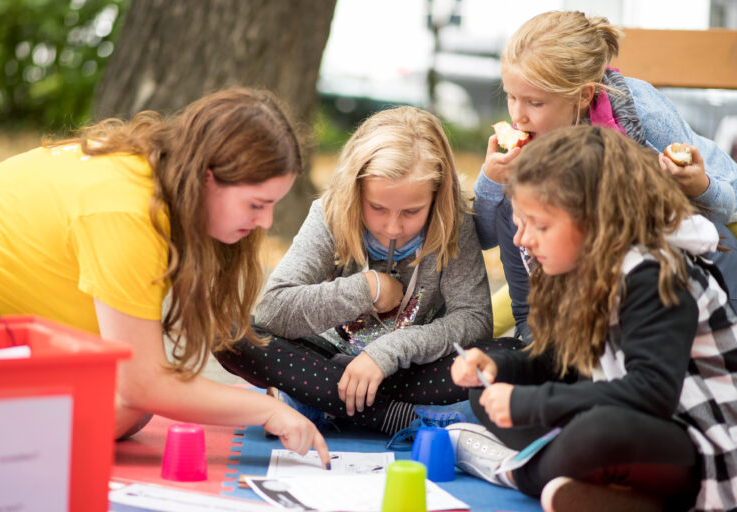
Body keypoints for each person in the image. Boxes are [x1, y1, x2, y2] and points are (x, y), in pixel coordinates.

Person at [0, 88, 330, 467]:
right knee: (127, 401)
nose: (266, 222)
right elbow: (144, 384)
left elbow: (139, 384)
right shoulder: (128, 212)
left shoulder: (155, 180)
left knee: (126, 407)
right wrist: (266, 410)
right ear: (208, 178)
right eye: (256, 204)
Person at [450, 126, 737, 511]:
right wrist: (496, 366)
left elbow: (649, 393)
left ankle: (513, 471)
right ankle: (612, 496)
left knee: (597, 433)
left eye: (540, 225)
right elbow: (564, 363)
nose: (523, 240)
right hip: (646, 428)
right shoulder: (588, 266)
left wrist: (529, 405)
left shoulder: (654, 274)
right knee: (489, 387)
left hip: (704, 443)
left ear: (594, 221)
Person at [215, 105, 501, 440]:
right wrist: (369, 288)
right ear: (355, 191)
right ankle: (391, 417)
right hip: (325, 361)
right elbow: (273, 310)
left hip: (408, 371)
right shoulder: (329, 214)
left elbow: (475, 318)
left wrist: (387, 352)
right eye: (377, 208)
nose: (393, 227)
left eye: (412, 211)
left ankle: (319, 404)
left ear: (437, 198)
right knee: (226, 332)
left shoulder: (453, 223)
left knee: (506, 357)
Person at [475, 10, 737, 342]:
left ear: (583, 96)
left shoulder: (639, 113)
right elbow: (485, 238)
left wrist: (698, 184)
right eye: (511, 97)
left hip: (710, 225)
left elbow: (722, 209)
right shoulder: (534, 134)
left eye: (534, 103)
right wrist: (491, 179)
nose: (518, 115)